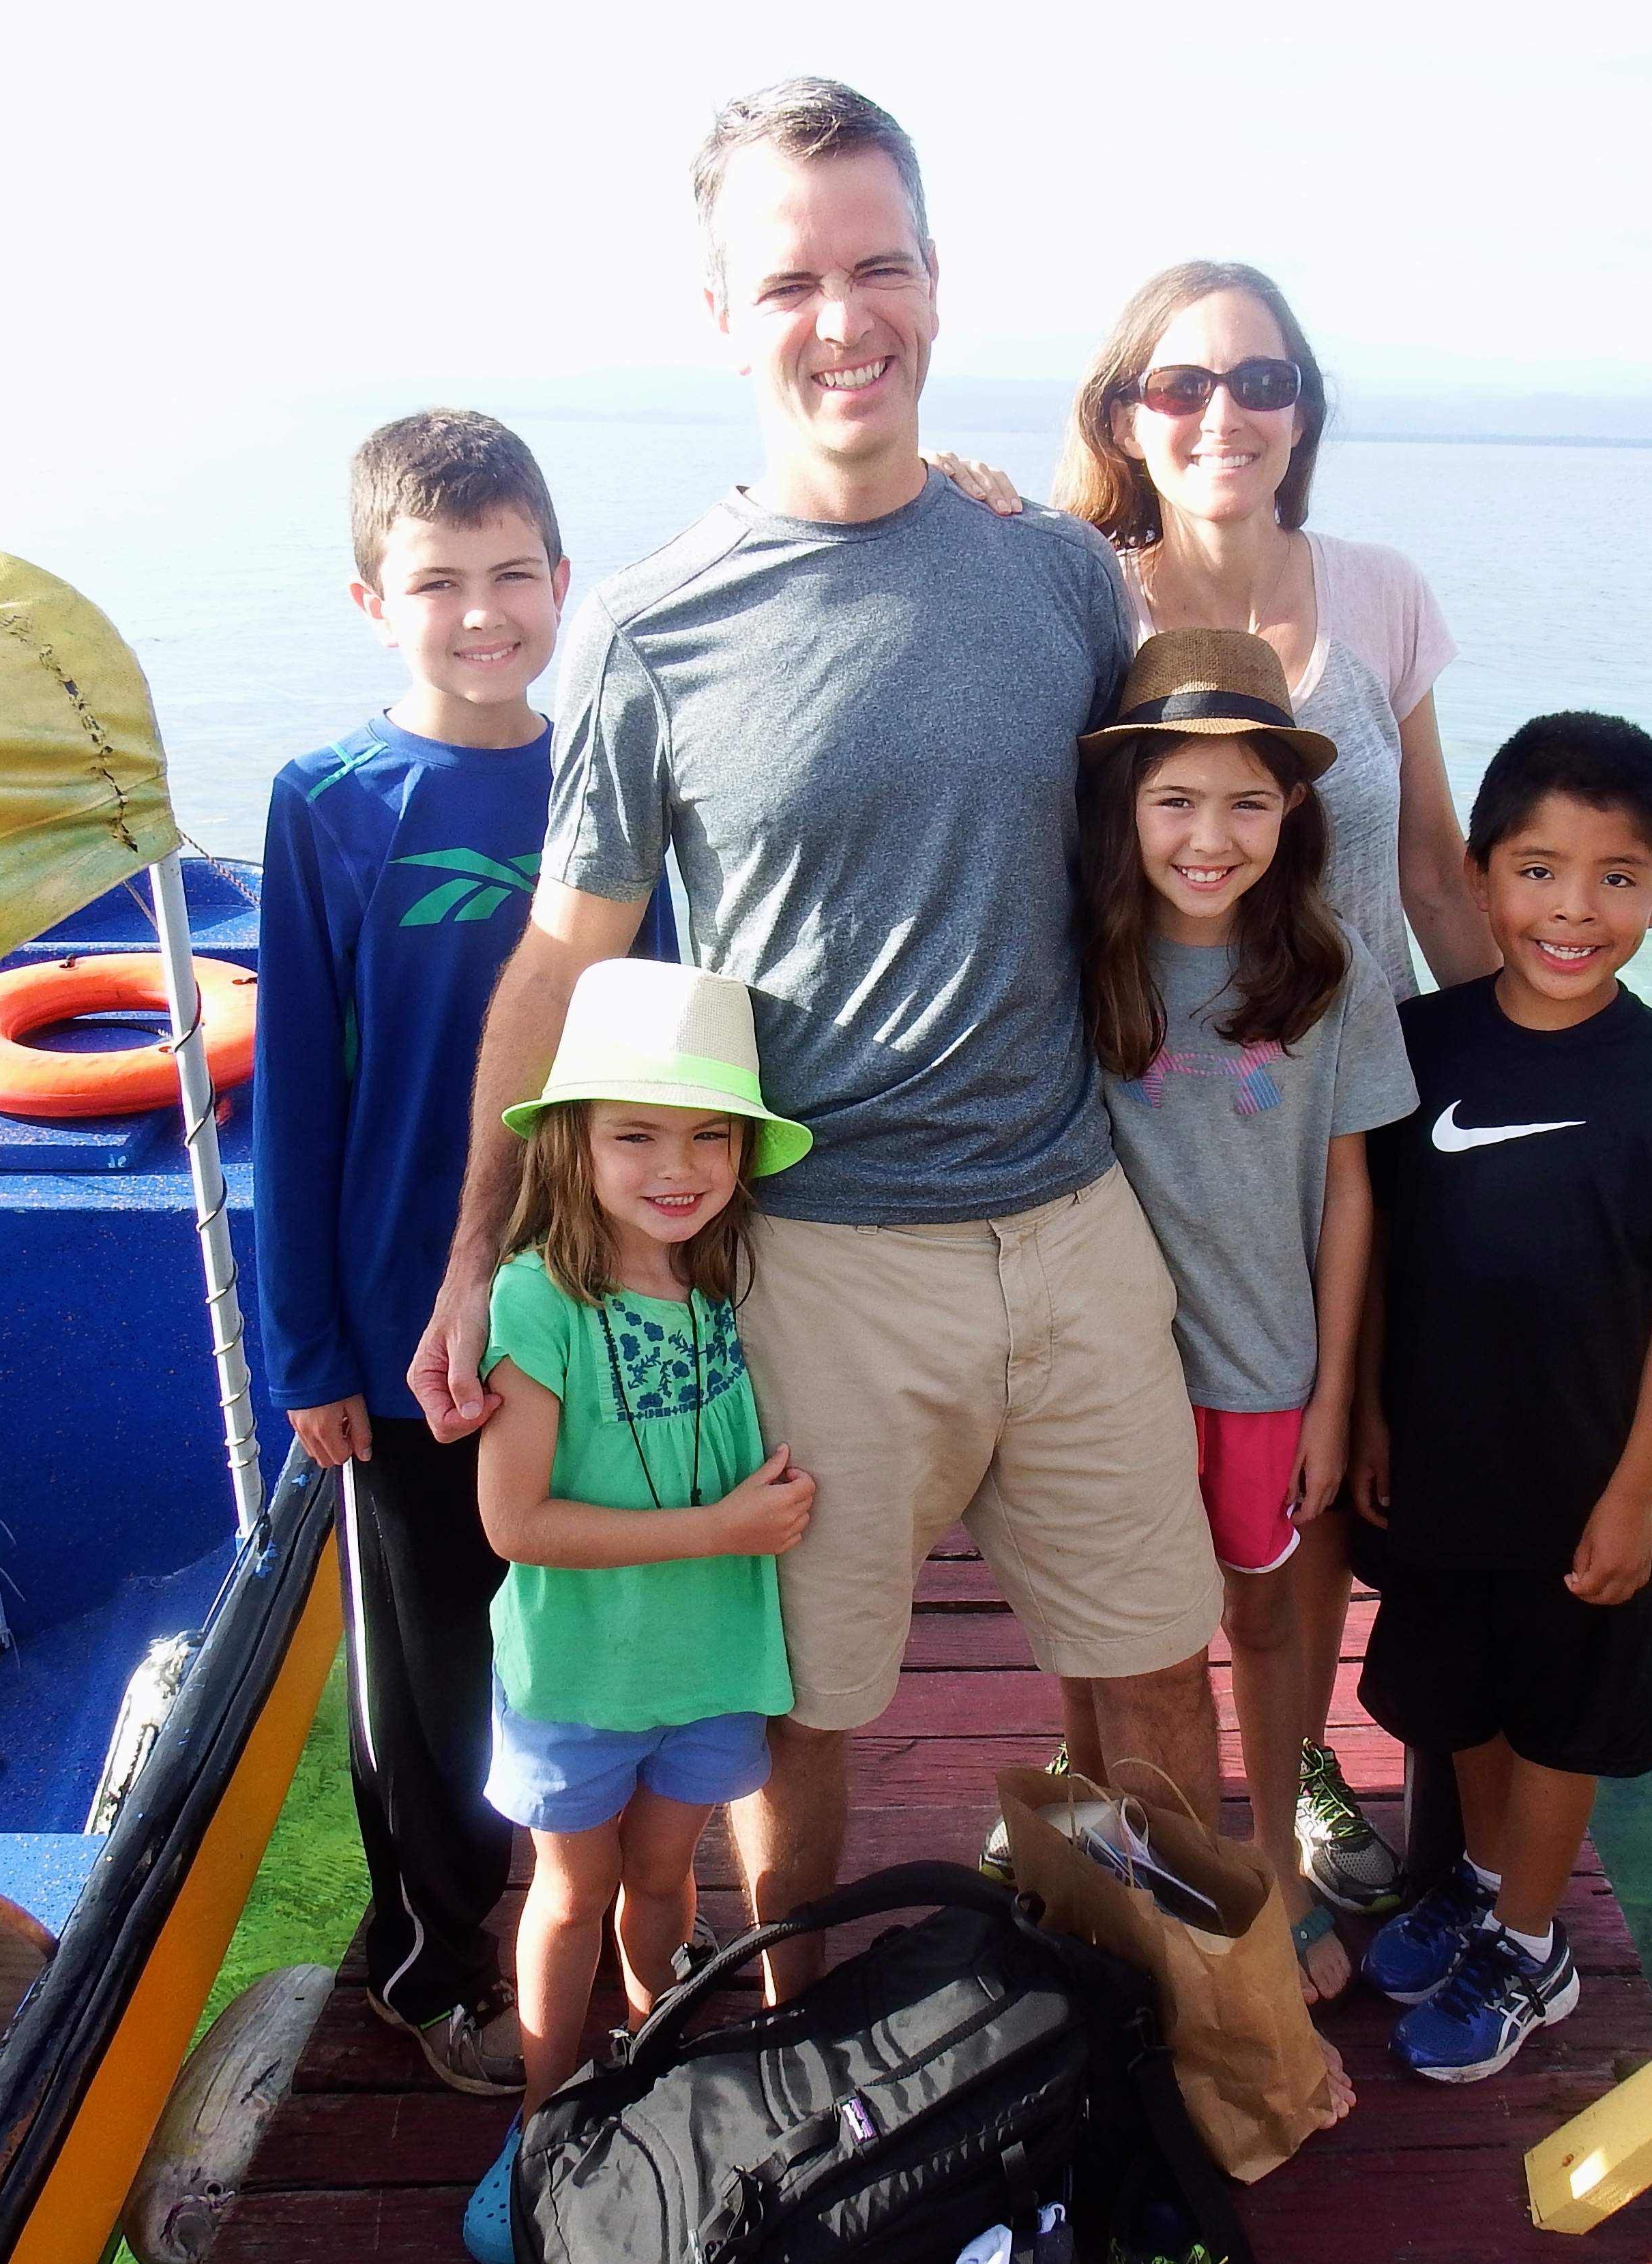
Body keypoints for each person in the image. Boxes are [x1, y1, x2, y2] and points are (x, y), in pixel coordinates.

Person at [409, 80, 1225, 1999]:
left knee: (1157, 1680)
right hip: (823, 1259)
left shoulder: (1053, 580)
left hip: (1076, 1222)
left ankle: (1199, 2057)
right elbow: (562, 965)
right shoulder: (650, 629)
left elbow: (1195, 819)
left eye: (879, 266)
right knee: (806, 1715)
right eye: (793, 279)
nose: (842, 316)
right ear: (724, 313)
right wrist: (478, 1253)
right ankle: (793, 2048)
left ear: (938, 285)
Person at [1035, 261, 1500, 1928]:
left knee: (1324, 1502)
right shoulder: (1076, 597)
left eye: (1263, 379)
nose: (1223, 414)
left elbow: (1436, 878)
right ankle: (1134, 1826)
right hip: (1132, 1143)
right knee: (1121, 1513)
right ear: (1123, 415)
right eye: (1180, 384)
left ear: (1305, 407)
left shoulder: (1377, 593)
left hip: (1341, 1114)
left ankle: (1314, 1786)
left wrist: (1557, 1095)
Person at [256, 409, 662, 2094]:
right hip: (398, 1324)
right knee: (423, 1674)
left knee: (564, 1638)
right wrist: (312, 1355)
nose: (482, 612)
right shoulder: (330, 802)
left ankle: (605, 1923)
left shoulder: (605, 778)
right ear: (372, 602)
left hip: (579, 1308)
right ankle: (434, 1961)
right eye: (439, 582)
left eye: (512, 575)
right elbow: (298, 1091)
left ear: (563, 581)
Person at [1348, 713, 1652, 2085]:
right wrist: (1374, 1417)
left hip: (1583, 1477)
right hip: (1442, 1459)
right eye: (1538, 871)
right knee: (1453, 1700)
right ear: (1477, 874)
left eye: (1617, 879)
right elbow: (1386, 1247)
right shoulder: (1422, 1047)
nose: (1573, 911)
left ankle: (1534, 1944)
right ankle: (1469, 1882)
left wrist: (1634, 1493)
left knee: (1558, 1714)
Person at [1063, 630, 1416, 2008]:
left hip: (1268, 1373)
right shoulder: (1083, 962)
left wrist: (1334, 1393)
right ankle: (1105, 1847)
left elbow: (1349, 1193)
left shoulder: (1326, 973)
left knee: (1270, 1631)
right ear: (1125, 810)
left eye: (1249, 802)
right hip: (1113, 1375)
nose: (1211, 837)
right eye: (1175, 801)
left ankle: (1268, 1864)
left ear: (1294, 812)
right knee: (1106, 1636)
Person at [456, 957, 814, 2264]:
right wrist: (723, 1529)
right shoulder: (534, 1301)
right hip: (575, 1674)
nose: (679, 1164)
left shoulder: (732, 1278)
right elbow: (515, 1523)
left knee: (666, 1878)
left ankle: (652, 2057)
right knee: (570, 1889)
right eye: (636, 1135)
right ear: (574, 1143)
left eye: (709, 1135)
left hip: (712, 1659)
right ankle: (549, 2119)